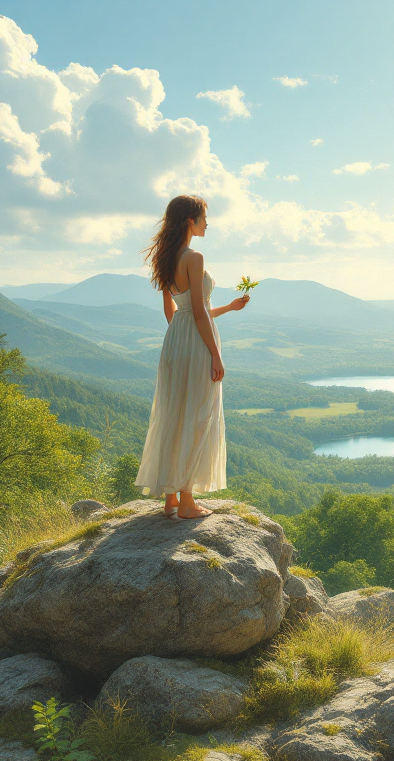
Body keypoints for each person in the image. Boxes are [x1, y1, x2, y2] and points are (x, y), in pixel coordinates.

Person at [134, 195, 250, 519]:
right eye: (203, 217)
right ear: (190, 221)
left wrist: (228, 307)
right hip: (197, 343)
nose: (207, 223)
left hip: (174, 344)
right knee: (198, 417)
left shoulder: (166, 258)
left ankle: (170, 497)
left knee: (174, 414)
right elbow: (198, 313)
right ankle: (187, 502)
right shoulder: (194, 257)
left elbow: (176, 312)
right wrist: (215, 354)